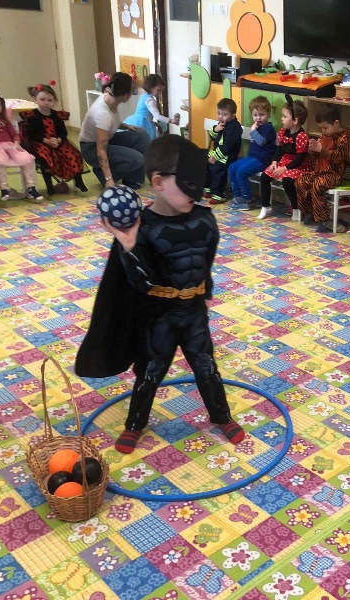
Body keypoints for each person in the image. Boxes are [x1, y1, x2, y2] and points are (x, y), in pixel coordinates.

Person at [75, 134, 245, 453]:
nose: (197, 192)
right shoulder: (144, 228)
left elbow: (206, 261)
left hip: (194, 313)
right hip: (159, 316)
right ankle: (134, 424)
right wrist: (128, 247)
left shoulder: (206, 220)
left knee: (206, 367)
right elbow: (140, 283)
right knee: (150, 371)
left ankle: (222, 416)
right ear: (158, 182)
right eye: (188, 183)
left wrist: (206, 292)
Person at [79, 72, 150, 190]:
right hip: (91, 149)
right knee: (137, 159)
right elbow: (101, 150)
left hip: (107, 139)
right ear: (126, 95)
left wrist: (125, 126)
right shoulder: (103, 114)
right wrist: (109, 179)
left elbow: (111, 122)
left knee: (141, 135)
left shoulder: (110, 98)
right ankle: (104, 174)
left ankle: (133, 179)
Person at [0, 87, 44, 203]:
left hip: (10, 147)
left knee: (27, 159)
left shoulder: (4, 120)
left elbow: (14, 135)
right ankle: (4, 189)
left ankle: (31, 187)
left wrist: (16, 143)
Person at [19, 83, 87, 196]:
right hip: (41, 142)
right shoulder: (33, 116)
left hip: (57, 141)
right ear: (35, 99)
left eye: (49, 100)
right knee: (45, 157)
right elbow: (31, 133)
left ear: (54, 101)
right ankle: (49, 186)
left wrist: (58, 140)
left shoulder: (57, 115)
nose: (46, 102)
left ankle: (78, 180)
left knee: (72, 154)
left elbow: (63, 132)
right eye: (42, 99)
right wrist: (46, 140)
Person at [295, 105, 350, 231]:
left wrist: (322, 150)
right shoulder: (324, 136)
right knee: (301, 181)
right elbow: (317, 158)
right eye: (321, 128)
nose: (323, 130)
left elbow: (341, 158)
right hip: (319, 172)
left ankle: (323, 220)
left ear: (336, 123)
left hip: (334, 174)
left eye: (325, 127)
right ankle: (309, 212)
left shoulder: (344, 138)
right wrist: (313, 150)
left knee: (318, 184)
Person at [253, 96, 308, 220]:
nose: (281, 118)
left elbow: (300, 158)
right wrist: (275, 162)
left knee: (287, 181)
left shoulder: (302, 136)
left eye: (284, 116)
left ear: (295, 120)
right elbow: (280, 149)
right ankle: (265, 207)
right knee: (265, 176)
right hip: (283, 162)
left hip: (297, 166)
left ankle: (296, 208)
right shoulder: (283, 131)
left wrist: (285, 168)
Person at [228, 95, 276, 211]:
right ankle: (238, 196)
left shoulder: (268, 128)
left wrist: (253, 131)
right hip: (252, 158)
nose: (258, 118)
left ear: (268, 114)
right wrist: (254, 130)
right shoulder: (257, 127)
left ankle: (246, 199)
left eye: (262, 115)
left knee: (241, 171)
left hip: (262, 160)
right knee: (232, 168)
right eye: (255, 115)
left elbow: (261, 142)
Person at [205, 98, 242, 204]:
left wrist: (215, 157)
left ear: (233, 116)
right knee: (205, 162)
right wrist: (215, 129)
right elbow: (213, 138)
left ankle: (218, 193)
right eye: (219, 113)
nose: (220, 117)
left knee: (218, 168)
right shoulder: (223, 123)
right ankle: (209, 188)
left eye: (224, 114)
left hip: (228, 156)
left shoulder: (234, 127)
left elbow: (227, 146)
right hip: (219, 152)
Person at [123, 74, 179, 140]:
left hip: (137, 120)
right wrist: (171, 120)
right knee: (145, 140)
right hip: (142, 123)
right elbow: (157, 116)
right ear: (151, 87)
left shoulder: (144, 95)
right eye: (158, 90)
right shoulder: (149, 100)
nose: (159, 93)